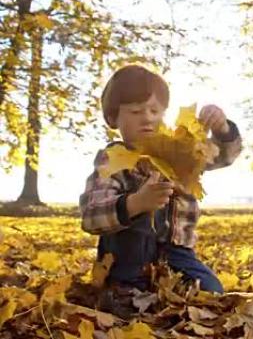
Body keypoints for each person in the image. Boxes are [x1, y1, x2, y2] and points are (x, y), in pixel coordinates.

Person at [79, 64, 242, 297]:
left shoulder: (179, 150)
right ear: (113, 118)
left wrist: (223, 129)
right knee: (129, 299)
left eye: (154, 111)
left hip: (178, 254)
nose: (146, 118)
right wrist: (135, 203)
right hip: (127, 256)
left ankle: (170, 291)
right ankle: (125, 290)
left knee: (212, 293)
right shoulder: (112, 158)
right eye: (135, 112)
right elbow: (91, 215)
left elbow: (224, 156)